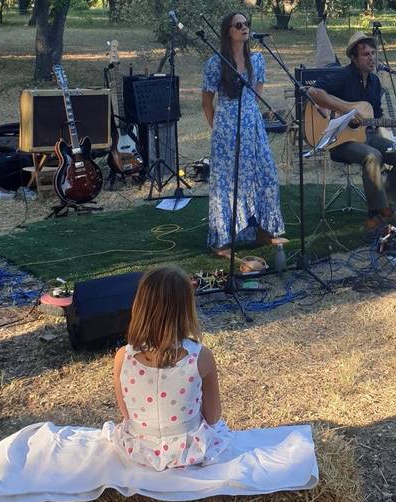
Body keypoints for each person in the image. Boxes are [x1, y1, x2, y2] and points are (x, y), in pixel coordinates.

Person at [107, 265, 231, 470]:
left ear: (139, 307)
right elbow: (213, 416)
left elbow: (126, 413)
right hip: (188, 450)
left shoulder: (123, 357)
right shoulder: (201, 357)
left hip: (138, 449)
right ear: (186, 310)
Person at [308, 31, 396, 229]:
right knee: (372, 156)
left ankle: (388, 207)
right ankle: (375, 214)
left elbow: (374, 116)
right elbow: (314, 92)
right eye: (366, 54)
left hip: (365, 136)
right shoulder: (342, 75)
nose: (372, 58)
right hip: (338, 140)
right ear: (354, 58)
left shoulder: (375, 82)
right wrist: (346, 108)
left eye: (374, 53)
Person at [201, 13, 285, 258]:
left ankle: (263, 230)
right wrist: (218, 129)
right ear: (228, 31)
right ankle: (222, 240)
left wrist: (250, 118)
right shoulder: (215, 63)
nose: (244, 28)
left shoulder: (257, 60)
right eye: (239, 25)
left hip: (253, 126)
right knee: (228, 183)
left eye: (247, 24)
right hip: (226, 128)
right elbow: (207, 103)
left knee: (266, 174)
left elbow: (255, 95)